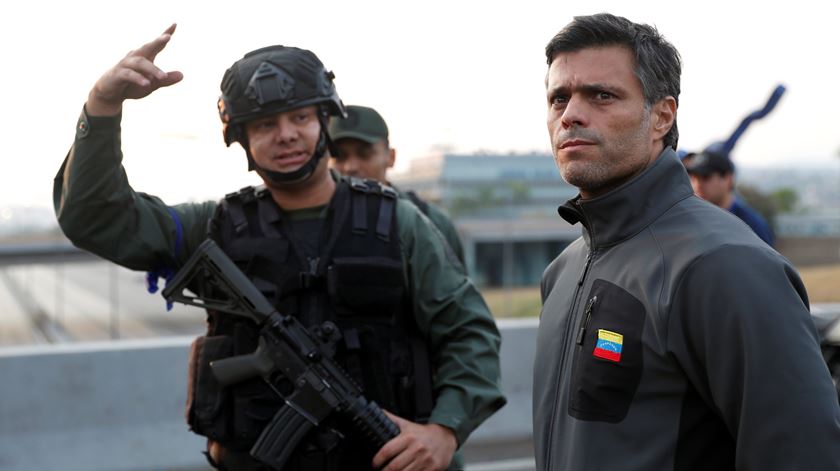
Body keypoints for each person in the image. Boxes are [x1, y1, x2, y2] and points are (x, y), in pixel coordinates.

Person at [53, 25, 505, 471]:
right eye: (265, 124)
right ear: (242, 139)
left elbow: (468, 332)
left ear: (324, 122)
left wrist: (444, 431)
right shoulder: (212, 227)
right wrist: (103, 104)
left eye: (300, 118)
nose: (286, 134)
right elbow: (95, 218)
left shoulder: (398, 222)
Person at [534, 13, 840, 471]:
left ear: (662, 116)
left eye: (602, 95)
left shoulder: (725, 265)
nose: (571, 114)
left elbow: (802, 454)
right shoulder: (561, 273)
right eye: (559, 97)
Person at [328, 105, 466, 267]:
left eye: (364, 154)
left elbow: (455, 289)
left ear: (391, 157)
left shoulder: (430, 221)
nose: (351, 166)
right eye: (339, 156)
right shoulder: (316, 218)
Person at [684, 149, 776, 246]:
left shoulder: (752, 226)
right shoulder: (689, 220)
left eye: (705, 177)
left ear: (728, 179)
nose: (698, 185)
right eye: (693, 178)